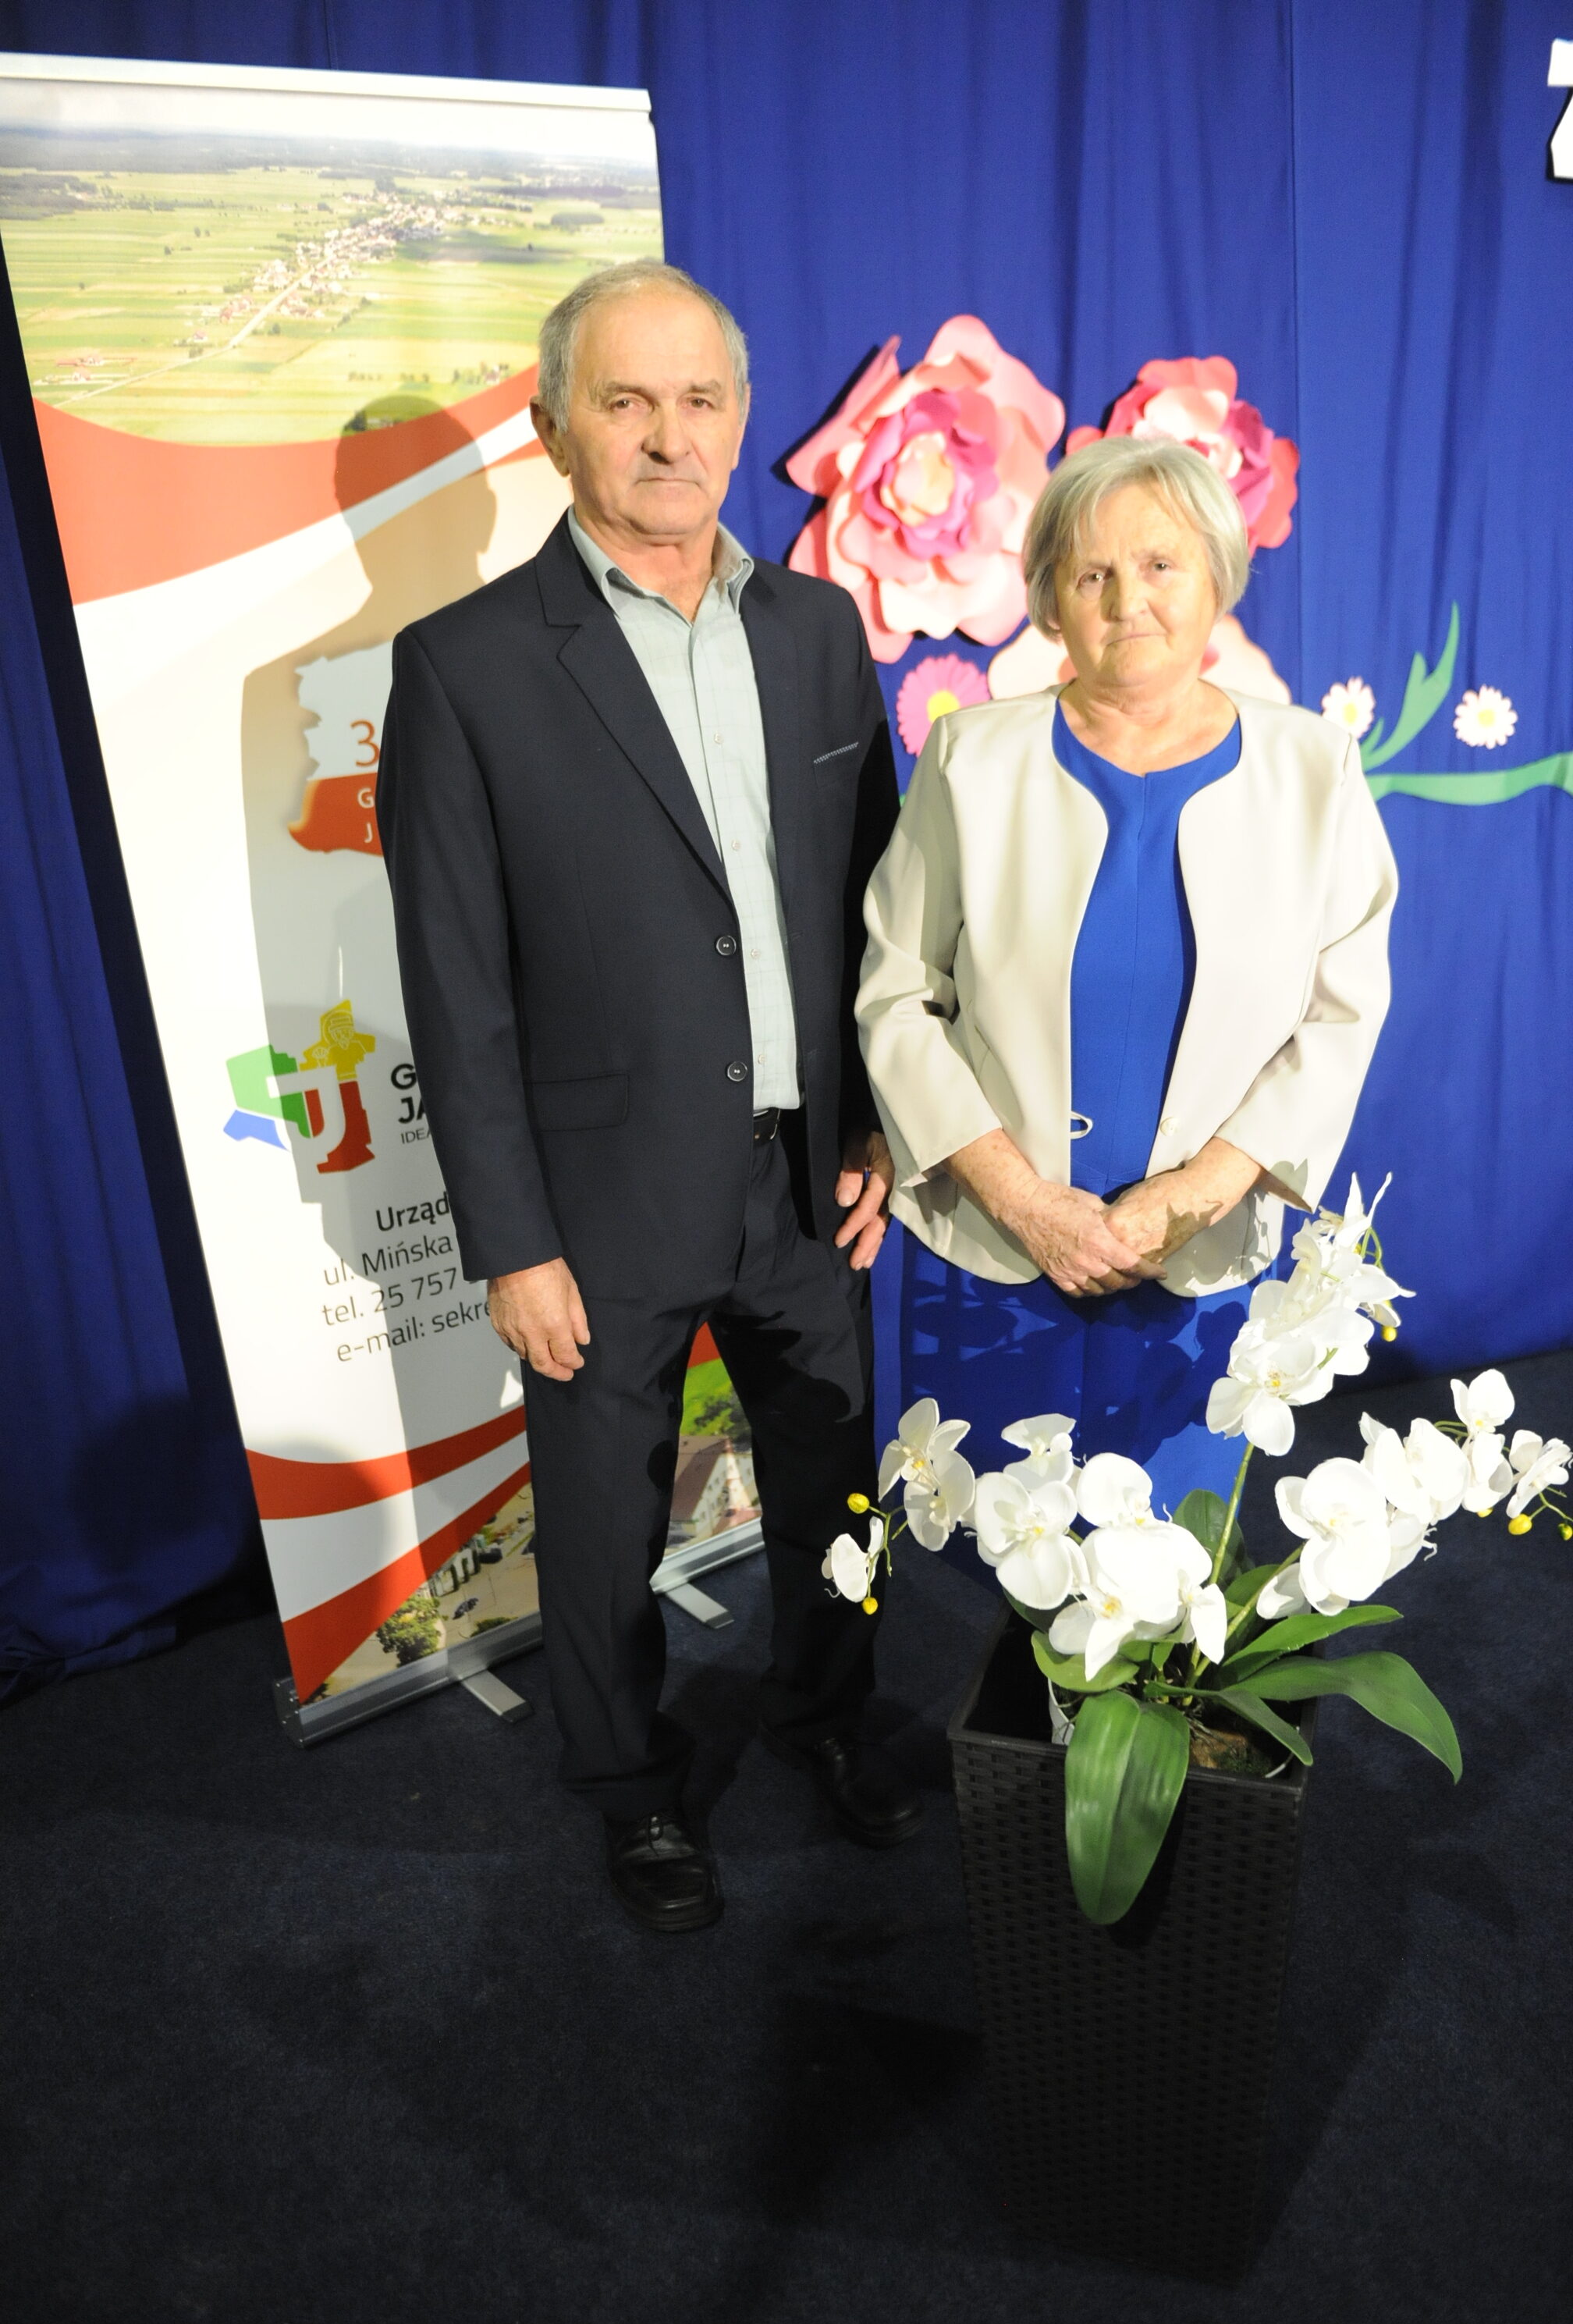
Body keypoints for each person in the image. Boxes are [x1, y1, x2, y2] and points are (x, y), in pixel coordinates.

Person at [378, 261, 911, 1935]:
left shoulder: (819, 630)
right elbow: (454, 985)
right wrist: (510, 1241)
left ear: (741, 419)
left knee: (835, 1479)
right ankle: (632, 1793)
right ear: (555, 431)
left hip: (807, 1174)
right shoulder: (464, 665)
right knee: (606, 1525)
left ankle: (827, 1716)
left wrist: (881, 1122)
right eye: (626, 403)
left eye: (700, 400)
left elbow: (880, 907)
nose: (670, 437)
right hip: (596, 1202)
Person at [857, 435, 1397, 1512]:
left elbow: (1340, 1016)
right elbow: (897, 993)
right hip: (993, 1257)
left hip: (1201, 1267)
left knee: (1178, 1555)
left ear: (1217, 579)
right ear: (1051, 604)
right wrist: (1028, 1205)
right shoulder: (972, 761)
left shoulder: (1315, 770)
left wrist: (1192, 1199)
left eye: (1160, 565)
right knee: (990, 1548)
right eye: (1092, 573)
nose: (1127, 601)